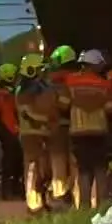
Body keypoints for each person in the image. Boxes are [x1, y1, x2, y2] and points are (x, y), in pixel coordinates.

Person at [54, 49, 112, 211]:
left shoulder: (70, 82)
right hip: (99, 132)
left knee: (83, 171)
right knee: (100, 170)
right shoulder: (104, 84)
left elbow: (63, 104)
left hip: (79, 132)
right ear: (95, 65)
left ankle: (84, 207)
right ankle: (102, 207)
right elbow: (111, 109)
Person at [13, 53, 57, 213]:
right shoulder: (23, 91)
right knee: (33, 169)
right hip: (30, 134)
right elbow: (27, 112)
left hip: (43, 133)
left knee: (45, 170)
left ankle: (42, 200)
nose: (41, 72)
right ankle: (34, 204)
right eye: (39, 69)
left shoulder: (42, 88)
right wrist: (46, 119)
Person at [46, 45, 80, 202]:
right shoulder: (78, 77)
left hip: (57, 125)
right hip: (77, 124)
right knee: (75, 161)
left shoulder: (51, 78)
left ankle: (60, 195)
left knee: (57, 160)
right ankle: (77, 194)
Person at [0, 62, 23, 200]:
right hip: (9, 131)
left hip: (5, 131)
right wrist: (15, 131)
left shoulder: (2, 91)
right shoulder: (5, 94)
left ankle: (10, 189)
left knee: (11, 161)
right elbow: (8, 116)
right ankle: (10, 190)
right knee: (12, 161)